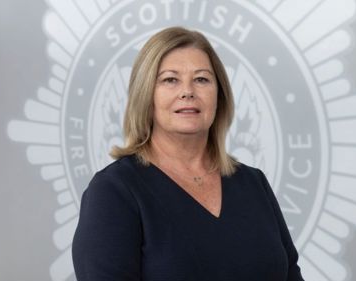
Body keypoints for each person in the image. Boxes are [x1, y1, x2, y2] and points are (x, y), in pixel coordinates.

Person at [72, 26, 304, 281]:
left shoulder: (254, 184)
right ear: (146, 95)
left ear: (219, 95)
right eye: (170, 79)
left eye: (201, 79)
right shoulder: (114, 192)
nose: (188, 91)